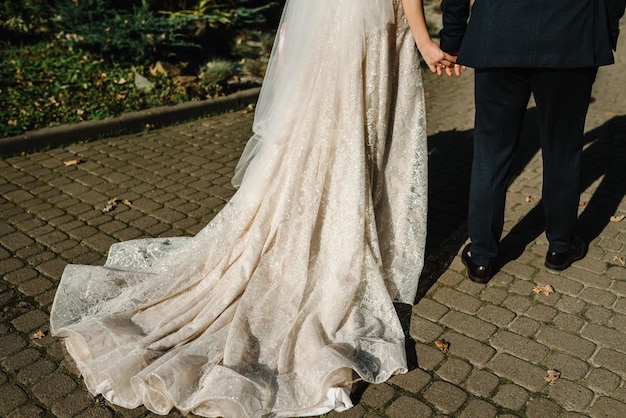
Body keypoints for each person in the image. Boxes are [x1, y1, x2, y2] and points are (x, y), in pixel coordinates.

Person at [50, 1, 456, 417]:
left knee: (333, 129)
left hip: (339, 25)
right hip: (374, 24)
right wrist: (425, 41)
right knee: (362, 131)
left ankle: (328, 222)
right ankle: (342, 234)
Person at [439, 0, 626, 283]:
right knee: (563, 150)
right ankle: (560, 248)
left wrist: (453, 36)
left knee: (491, 152)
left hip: (499, 33)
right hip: (571, 36)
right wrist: (606, 30)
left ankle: (481, 257)